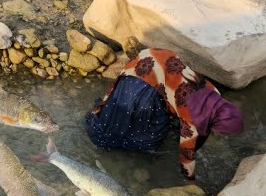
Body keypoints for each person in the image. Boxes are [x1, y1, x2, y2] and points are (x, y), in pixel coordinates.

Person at [84, 48, 242, 182]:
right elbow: (186, 156)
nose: (220, 134)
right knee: (148, 138)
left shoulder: (215, 93)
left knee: (131, 112)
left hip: (155, 56)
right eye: (220, 131)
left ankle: (111, 111)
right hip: (141, 82)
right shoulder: (191, 121)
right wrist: (190, 179)